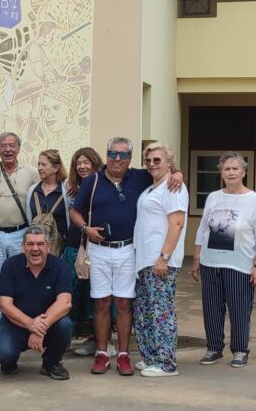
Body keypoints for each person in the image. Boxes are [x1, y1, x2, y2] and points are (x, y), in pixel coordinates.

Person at [69, 137, 183, 376]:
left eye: (122, 154)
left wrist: (178, 172)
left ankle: (123, 354)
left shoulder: (140, 177)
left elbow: (163, 169)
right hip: (99, 251)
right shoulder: (93, 180)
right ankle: (102, 353)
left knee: (124, 303)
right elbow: (75, 211)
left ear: (130, 158)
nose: (117, 159)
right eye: (112, 153)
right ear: (106, 155)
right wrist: (86, 229)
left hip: (128, 250)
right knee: (101, 302)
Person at [192, 152, 256, 368]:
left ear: (244, 172)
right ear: (221, 173)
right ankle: (214, 348)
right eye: (227, 169)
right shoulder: (213, 197)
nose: (231, 172)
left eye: (235, 168)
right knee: (212, 308)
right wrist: (196, 258)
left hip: (240, 264)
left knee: (239, 308)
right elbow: (202, 229)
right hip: (211, 263)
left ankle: (240, 350)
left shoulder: (254, 200)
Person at [132, 143, 188, 377]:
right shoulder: (152, 187)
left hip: (160, 261)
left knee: (161, 311)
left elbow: (177, 223)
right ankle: (151, 356)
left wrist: (164, 257)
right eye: (149, 160)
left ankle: (167, 363)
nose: (152, 164)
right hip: (145, 260)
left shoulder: (173, 187)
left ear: (169, 162)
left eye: (157, 160)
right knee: (145, 311)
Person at [0, 132, 39, 344]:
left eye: (11, 145)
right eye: (3, 145)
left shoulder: (31, 173)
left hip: (21, 234)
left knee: (21, 281)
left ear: (18, 148)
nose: (7, 149)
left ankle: (19, 324)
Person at [0, 226, 72, 380]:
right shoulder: (10, 266)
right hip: (16, 324)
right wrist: (30, 324)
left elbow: (65, 303)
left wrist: (39, 329)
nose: (35, 249)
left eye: (40, 244)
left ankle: (51, 362)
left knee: (65, 324)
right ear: (23, 247)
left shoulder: (60, 266)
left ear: (48, 247)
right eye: (30, 244)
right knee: (4, 354)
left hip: (48, 326)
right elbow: (5, 305)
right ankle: (9, 361)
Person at [66, 147, 105, 357]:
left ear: (94, 163)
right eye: (78, 163)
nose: (82, 166)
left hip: (93, 247)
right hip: (74, 246)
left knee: (94, 292)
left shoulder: (102, 185)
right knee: (74, 291)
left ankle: (99, 340)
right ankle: (76, 335)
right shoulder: (73, 188)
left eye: (86, 162)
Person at [24, 150, 69, 254]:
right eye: (38, 164)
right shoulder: (33, 190)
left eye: (44, 164)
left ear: (56, 168)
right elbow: (29, 219)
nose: (39, 168)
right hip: (36, 249)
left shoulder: (66, 191)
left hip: (59, 249)